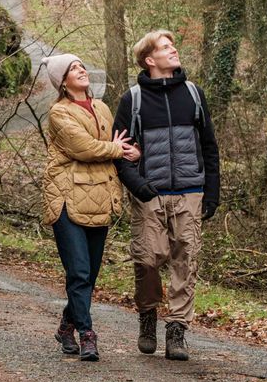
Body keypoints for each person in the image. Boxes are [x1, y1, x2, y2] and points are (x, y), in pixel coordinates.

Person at [111, 30, 220, 361]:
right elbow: (119, 151)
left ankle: (176, 330)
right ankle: (147, 316)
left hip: (190, 192)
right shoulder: (134, 100)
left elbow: (209, 147)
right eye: (165, 47)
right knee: (147, 259)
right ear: (149, 59)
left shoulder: (193, 94)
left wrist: (211, 190)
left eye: (173, 46)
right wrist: (140, 188)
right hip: (150, 195)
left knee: (186, 261)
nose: (173, 50)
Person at [42, 52, 140, 362]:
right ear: (63, 81)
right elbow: (82, 147)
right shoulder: (59, 112)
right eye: (73, 69)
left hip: (98, 197)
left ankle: (66, 325)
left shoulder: (102, 108)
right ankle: (87, 334)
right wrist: (117, 150)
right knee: (80, 271)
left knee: (90, 274)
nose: (81, 70)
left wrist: (130, 152)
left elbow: (116, 145)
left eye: (82, 66)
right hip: (67, 198)